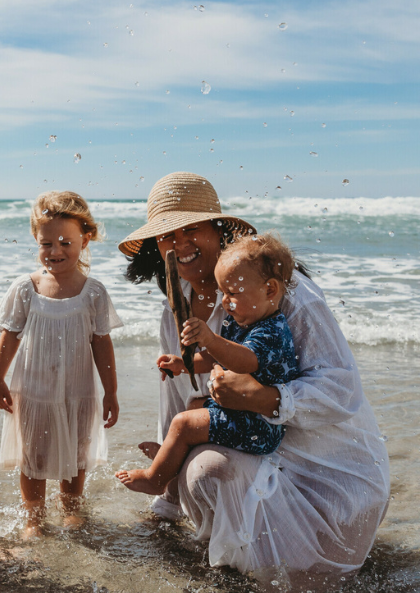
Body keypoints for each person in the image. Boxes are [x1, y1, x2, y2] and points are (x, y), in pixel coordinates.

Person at [118, 172, 390, 588]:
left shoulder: (286, 295)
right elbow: (175, 406)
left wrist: (267, 398)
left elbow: (341, 390)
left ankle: (270, 562)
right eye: (167, 235)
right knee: (196, 460)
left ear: (219, 230)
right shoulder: (175, 313)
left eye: (192, 228)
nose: (181, 243)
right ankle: (235, 563)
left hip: (327, 472)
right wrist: (165, 504)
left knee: (207, 469)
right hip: (254, 447)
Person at [115, 232, 300, 494]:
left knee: (183, 424)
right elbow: (219, 357)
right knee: (194, 406)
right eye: (222, 292)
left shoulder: (271, 330)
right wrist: (183, 364)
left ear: (269, 289)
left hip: (260, 426)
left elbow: (245, 360)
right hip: (244, 414)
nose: (225, 301)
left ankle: (155, 479)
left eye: (232, 292)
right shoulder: (244, 321)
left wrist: (211, 339)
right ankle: (173, 459)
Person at [0, 191, 122, 538]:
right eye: (46, 243)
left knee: (77, 453)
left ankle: (71, 510)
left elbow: (101, 342)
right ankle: (34, 518)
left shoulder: (93, 292)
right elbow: (11, 334)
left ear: (85, 239)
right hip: (33, 389)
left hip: (77, 388)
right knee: (32, 455)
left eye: (66, 242)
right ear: (36, 240)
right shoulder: (26, 288)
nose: (55, 251)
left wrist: (111, 391)